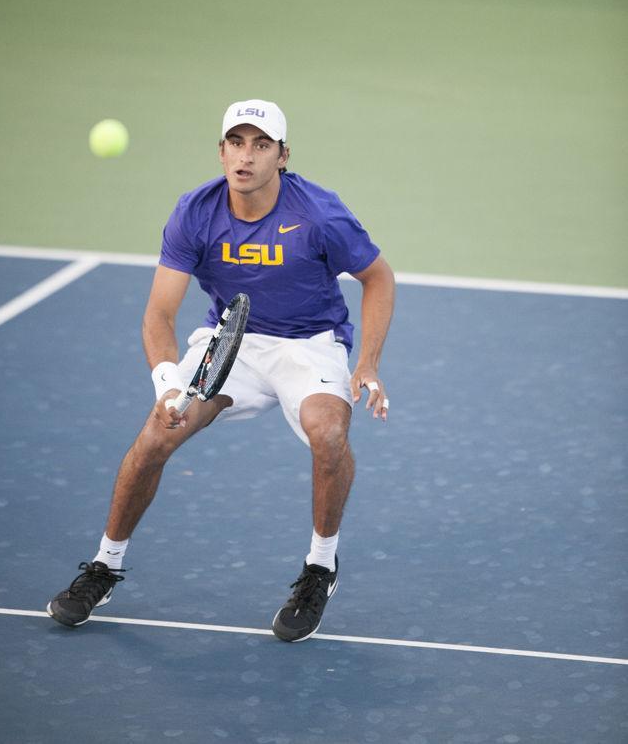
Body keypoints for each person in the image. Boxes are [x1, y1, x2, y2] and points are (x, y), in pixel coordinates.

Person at [47, 99, 394, 642]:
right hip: (229, 342)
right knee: (155, 437)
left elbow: (378, 277)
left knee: (328, 434)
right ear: (221, 150)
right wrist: (167, 385)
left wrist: (367, 361)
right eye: (236, 142)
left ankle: (320, 568)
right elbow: (159, 313)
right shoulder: (195, 212)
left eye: (261, 145)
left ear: (282, 156)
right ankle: (104, 566)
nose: (246, 156)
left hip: (309, 343)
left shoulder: (320, 214)